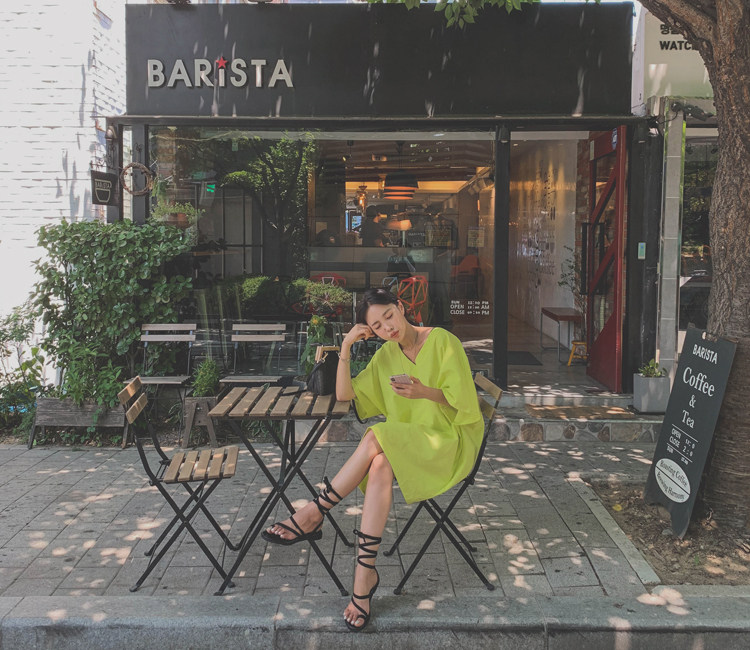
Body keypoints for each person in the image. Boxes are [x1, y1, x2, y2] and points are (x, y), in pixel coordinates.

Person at [262, 287, 483, 631]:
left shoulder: (442, 341)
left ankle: (315, 511)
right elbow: (345, 394)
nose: (387, 328)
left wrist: (423, 391)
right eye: (377, 326)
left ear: (400, 307)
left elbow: (467, 405)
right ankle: (364, 575)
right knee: (379, 462)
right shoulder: (386, 355)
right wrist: (346, 347)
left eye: (389, 316)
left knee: (377, 434)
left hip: (448, 441)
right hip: (409, 442)